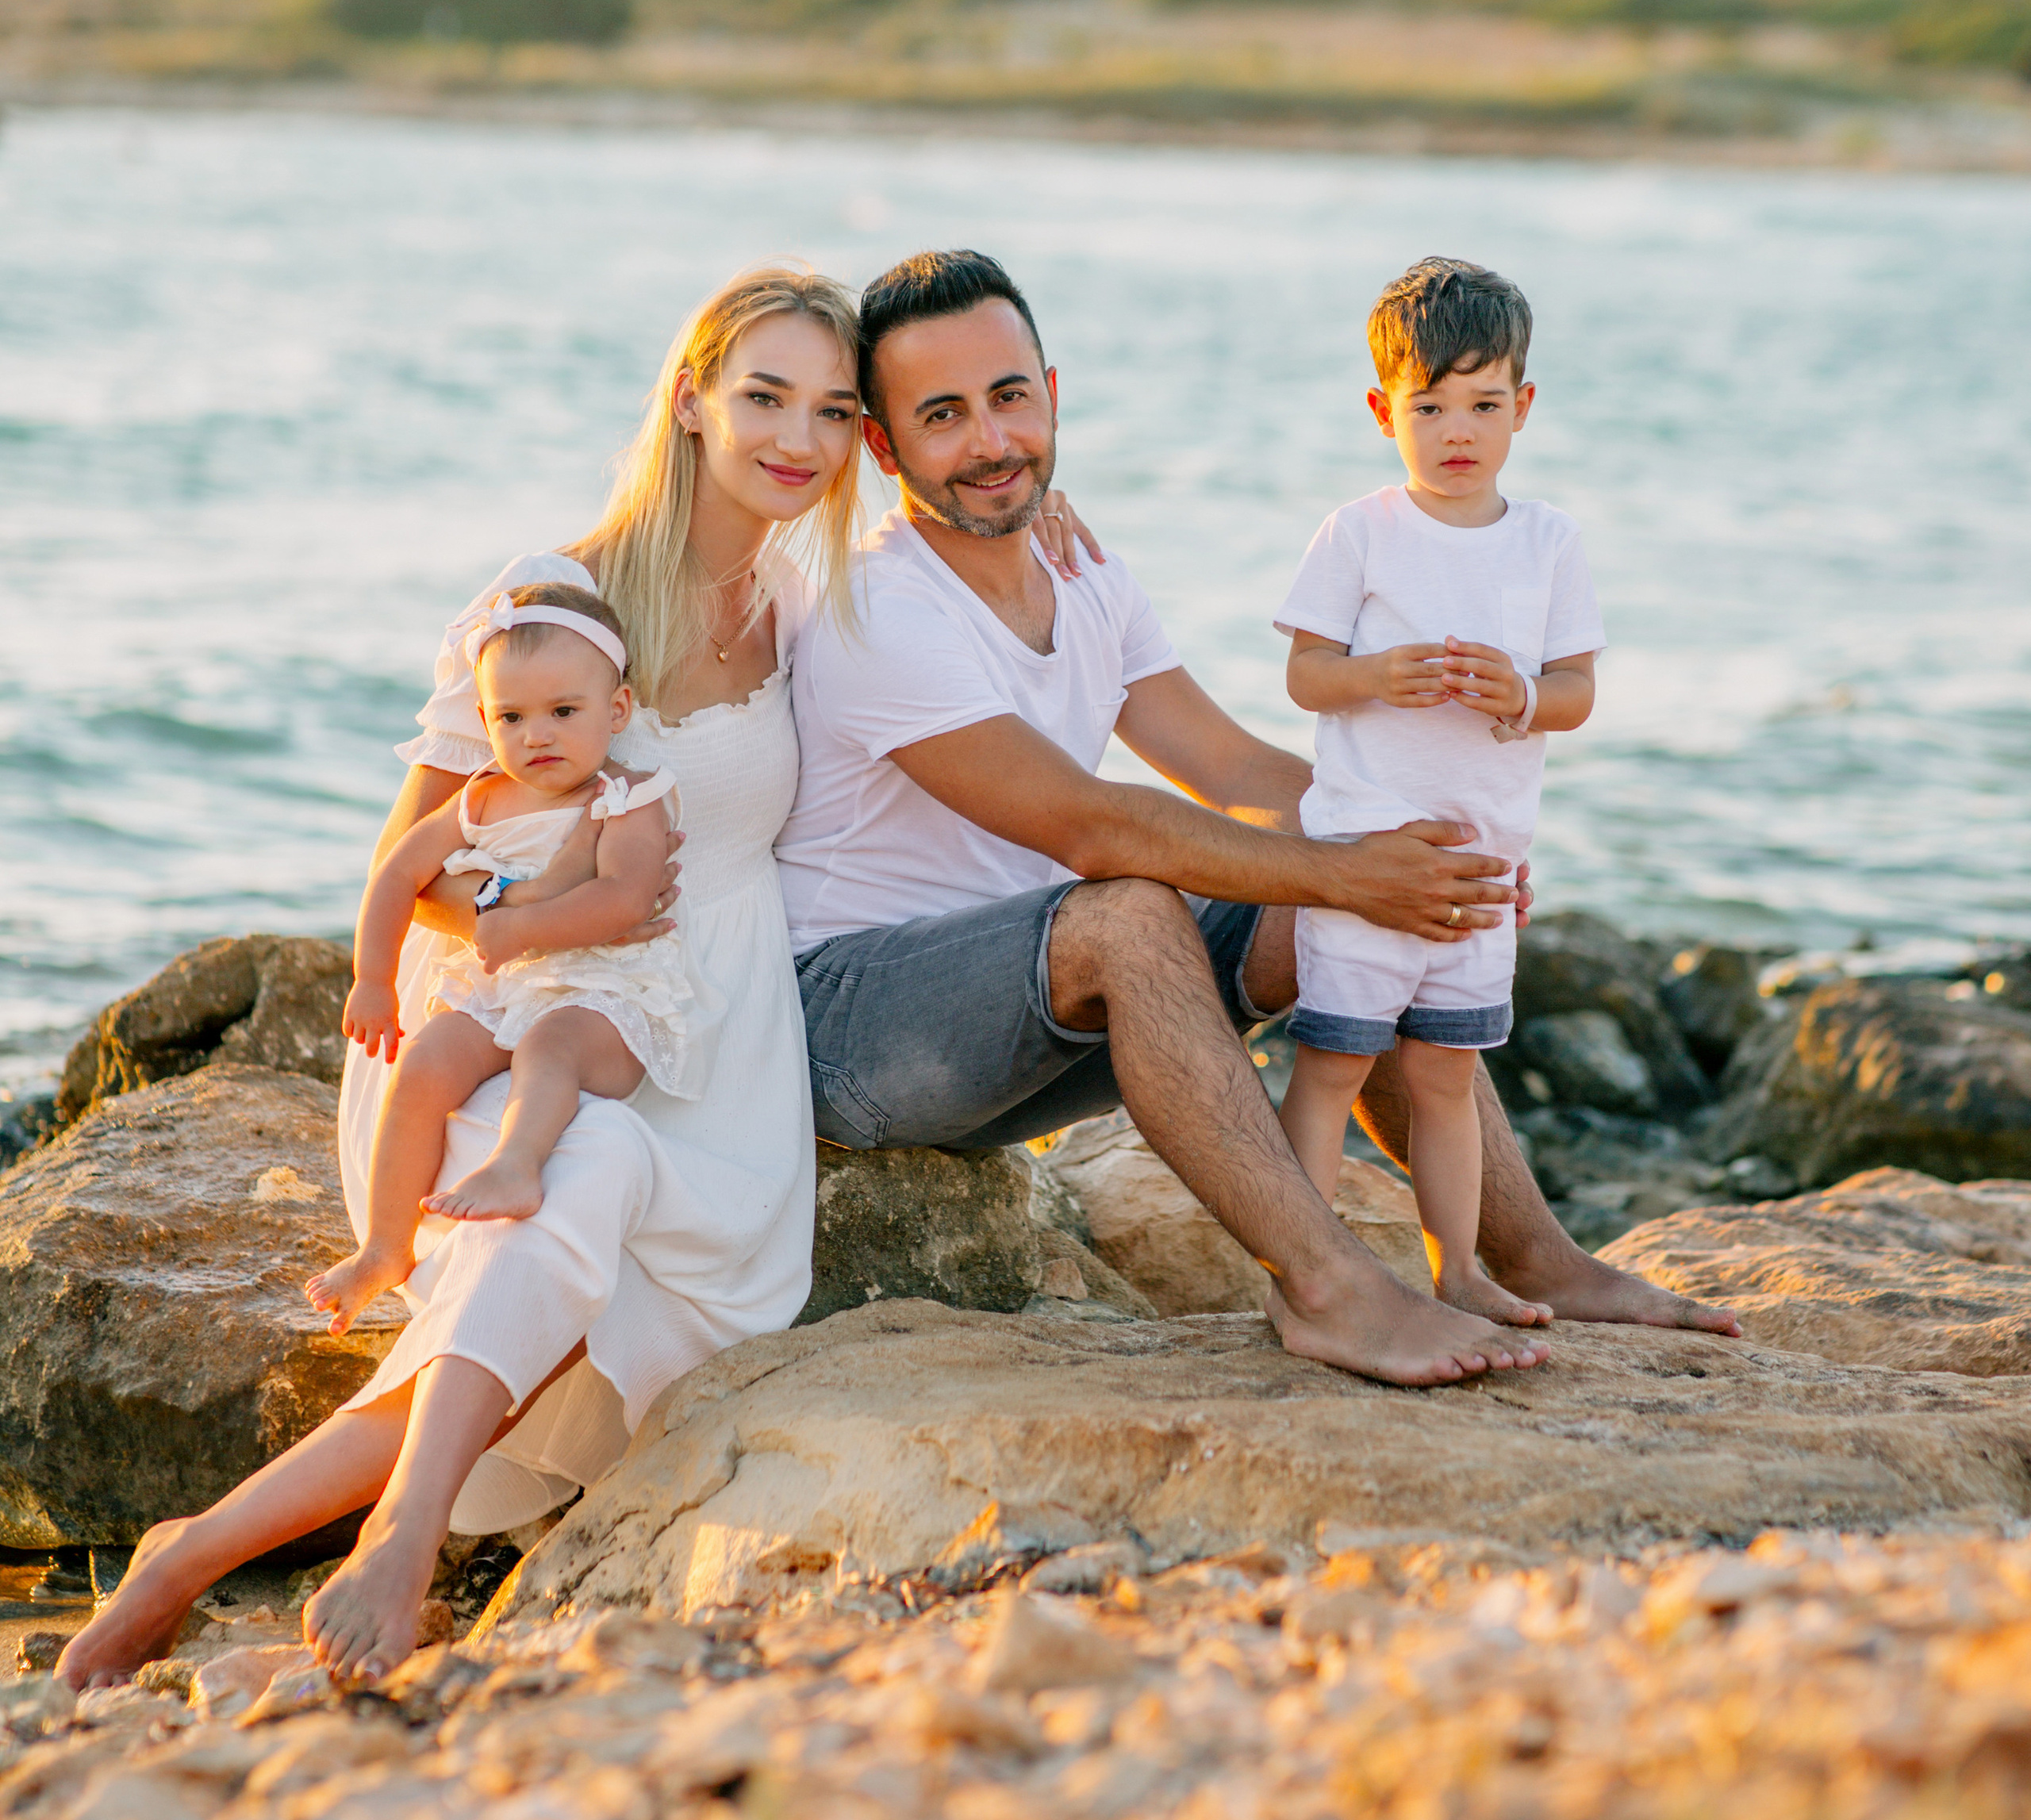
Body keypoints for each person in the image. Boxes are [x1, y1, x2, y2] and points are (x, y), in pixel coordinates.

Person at [60, 266, 867, 1691]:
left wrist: (1044, 532)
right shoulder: (548, 602)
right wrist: (536, 920)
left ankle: (194, 1548)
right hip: (499, 1020)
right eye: (765, 396)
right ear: (691, 400)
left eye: (836, 409)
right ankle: (400, 1539)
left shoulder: (804, 608)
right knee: (583, 1167)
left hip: (712, 1037)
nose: (798, 438)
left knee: (593, 1246)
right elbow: (414, 864)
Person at [782, 248, 1740, 1391]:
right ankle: (1327, 1290)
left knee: (1353, 901)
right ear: (883, 445)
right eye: (943, 416)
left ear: (1053, 393)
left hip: (1024, 1021)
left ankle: (1535, 1255)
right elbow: (1090, 828)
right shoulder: (880, 607)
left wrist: (1430, 858)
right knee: (1139, 914)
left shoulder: (1081, 572)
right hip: (858, 1027)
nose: (992, 441)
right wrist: (1346, 871)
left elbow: (1231, 765)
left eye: (1010, 397)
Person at [1273, 257, 1600, 1329]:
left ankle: (1458, 1272)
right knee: (1334, 1066)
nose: (1457, 431)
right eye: (1428, 406)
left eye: (1483, 405)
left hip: (1480, 869)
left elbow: (1576, 692)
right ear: (1384, 412)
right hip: (1365, 858)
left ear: (1523, 407)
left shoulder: (1548, 542)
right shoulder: (1360, 531)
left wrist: (1524, 694)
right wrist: (1373, 676)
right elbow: (1304, 674)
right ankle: (1302, 1277)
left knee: (1446, 1080)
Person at [306, 584, 705, 1339]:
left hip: (603, 994)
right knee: (424, 1063)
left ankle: (518, 1165)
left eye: (564, 712)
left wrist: (520, 927)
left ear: (617, 710)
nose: (537, 735)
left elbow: (626, 898)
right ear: (485, 722)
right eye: (511, 718)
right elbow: (397, 873)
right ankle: (385, 1248)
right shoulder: (483, 798)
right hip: (502, 988)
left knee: (550, 1047)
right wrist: (372, 980)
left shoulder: (625, 797)